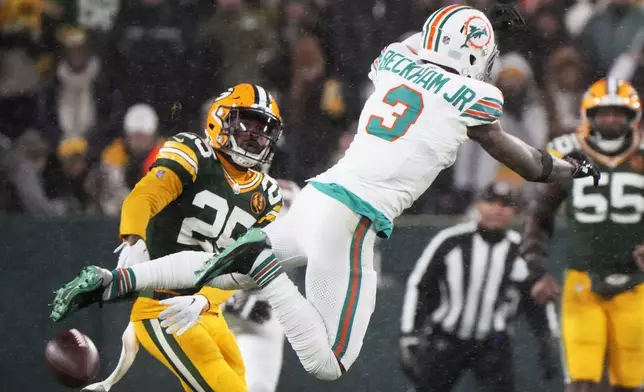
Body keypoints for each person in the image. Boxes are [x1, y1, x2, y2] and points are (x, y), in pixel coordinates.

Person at [51, 4, 600, 381]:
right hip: (354, 219)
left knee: (217, 269)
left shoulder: (393, 61)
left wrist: (122, 276)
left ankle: (113, 279)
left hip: (318, 194)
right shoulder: (478, 97)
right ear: (479, 55)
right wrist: (563, 170)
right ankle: (266, 272)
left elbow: (420, 41)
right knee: (329, 363)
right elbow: (524, 161)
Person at [84, 83, 284, 392]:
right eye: (247, 124)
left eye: (264, 129)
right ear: (221, 120)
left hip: (206, 308)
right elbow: (146, 194)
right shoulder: (193, 152)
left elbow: (235, 269)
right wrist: (133, 238)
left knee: (238, 380)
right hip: (162, 304)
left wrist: (205, 300)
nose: (255, 136)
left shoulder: (267, 195)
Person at [522, 78, 644, 392]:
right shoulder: (569, 154)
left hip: (638, 285)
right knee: (582, 382)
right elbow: (539, 216)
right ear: (589, 115)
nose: (612, 119)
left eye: (619, 113)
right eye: (605, 112)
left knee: (631, 384)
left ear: (633, 116)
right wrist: (537, 270)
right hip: (582, 284)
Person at [400, 182, 560, 392]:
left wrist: (548, 339)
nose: (498, 209)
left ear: (515, 212)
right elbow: (420, 285)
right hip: (447, 338)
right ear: (479, 205)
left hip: (492, 343)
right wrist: (409, 333)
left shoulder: (521, 250)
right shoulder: (450, 241)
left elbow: (538, 298)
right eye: (491, 201)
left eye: (506, 204)